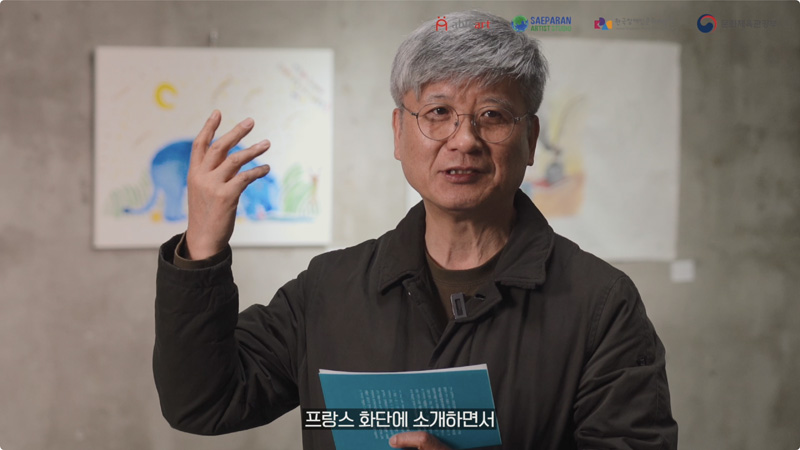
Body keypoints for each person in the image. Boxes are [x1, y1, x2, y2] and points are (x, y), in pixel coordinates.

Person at [153, 10, 678, 450]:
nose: (464, 139)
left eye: (492, 115)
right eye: (438, 112)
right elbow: (204, 401)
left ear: (531, 139)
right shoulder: (328, 289)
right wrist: (202, 248)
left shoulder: (600, 306)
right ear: (398, 131)